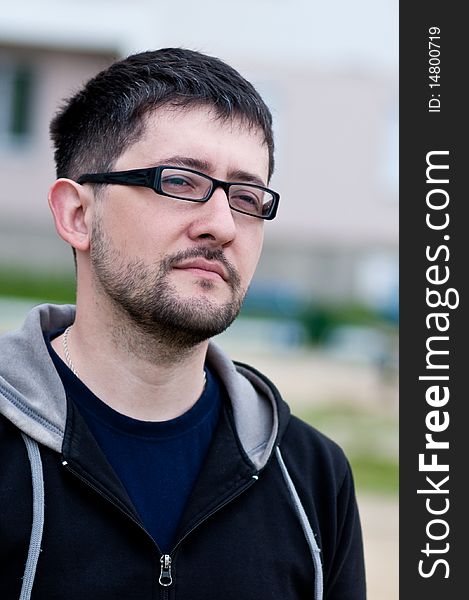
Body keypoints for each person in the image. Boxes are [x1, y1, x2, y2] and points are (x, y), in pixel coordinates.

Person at [0, 48, 366, 599]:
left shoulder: (313, 478)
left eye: (246, 196)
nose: (221, 224)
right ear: (78, 215)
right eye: (180, 181)